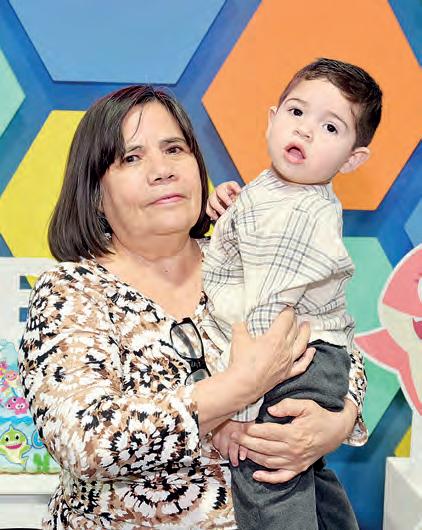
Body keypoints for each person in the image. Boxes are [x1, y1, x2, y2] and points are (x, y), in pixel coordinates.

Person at [18, 84, 365, 529]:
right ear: (95, 193)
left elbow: (337, 342)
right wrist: (240, 387)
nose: (162, 170)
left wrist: (338, 421)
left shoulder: (245, 255)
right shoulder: (70, 291)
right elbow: (86, 442)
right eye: (131, 158)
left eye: (174, 149)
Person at [203, 58, 382, 529]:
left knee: (267, 479)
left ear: (352, 159)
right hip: (313, 357)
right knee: (305, 474)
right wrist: (230, 211)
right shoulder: (278, 190)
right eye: (296, 112)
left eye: (330, 127)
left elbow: (267, 313)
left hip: (285, 362)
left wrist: (239, 410)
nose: (304, 130)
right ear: (272, 118)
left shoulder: (301, 218)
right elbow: (246, 248)